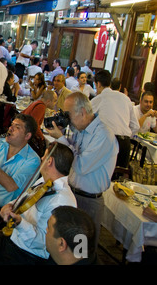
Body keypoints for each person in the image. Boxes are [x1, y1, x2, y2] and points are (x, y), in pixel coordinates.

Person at [0, 142, 77, 265]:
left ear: (50, 161)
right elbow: (25, 198)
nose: (42, 159)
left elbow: (43, 242)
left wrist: (20, 223)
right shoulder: (44, 180)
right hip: (14, 239)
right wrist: (9, 205)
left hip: (27, 255)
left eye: (44, 156)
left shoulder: (61, 200)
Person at [46, 91, 119, 248]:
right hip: (72, 193)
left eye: (68, 114)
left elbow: (80, 166)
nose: (66, 118)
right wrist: (59, 135)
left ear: (83, 112)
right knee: (68, 245)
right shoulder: (79, 129)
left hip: (89, 200)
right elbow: (67, 154)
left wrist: (61, 139)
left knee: (83, 248)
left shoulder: (104, 135)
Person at [91, 69, 139, 168]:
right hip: (125, 144)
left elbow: (86, 121)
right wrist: (125, 135)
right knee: (119, 179)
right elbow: (135, 126)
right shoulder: (125, 98)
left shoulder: (98, 99)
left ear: (98, 84)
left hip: (107, 143)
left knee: (103, 177)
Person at [22, 90, 57, 156]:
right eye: (55, 100)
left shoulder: (36, 103)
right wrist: (42, 138)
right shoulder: (41, 106)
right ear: (49, 101)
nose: (55, 103)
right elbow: (34, 125)